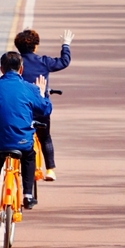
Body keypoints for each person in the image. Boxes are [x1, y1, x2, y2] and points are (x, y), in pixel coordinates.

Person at [0, 51, 51, 236]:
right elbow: (45, 109)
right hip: (22, 142)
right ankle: (28, 194)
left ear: (1, 69)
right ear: (21, 69)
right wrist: (41, 93)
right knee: (29, 155)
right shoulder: (29, 88)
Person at [14, 28, 74, 181]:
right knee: (45, 137)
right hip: (39, 108)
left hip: (21, 109)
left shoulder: (16, 63)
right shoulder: (44, 61)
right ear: (35, 46)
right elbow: (63, 62)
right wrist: (65, 45)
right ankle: (50, 170)